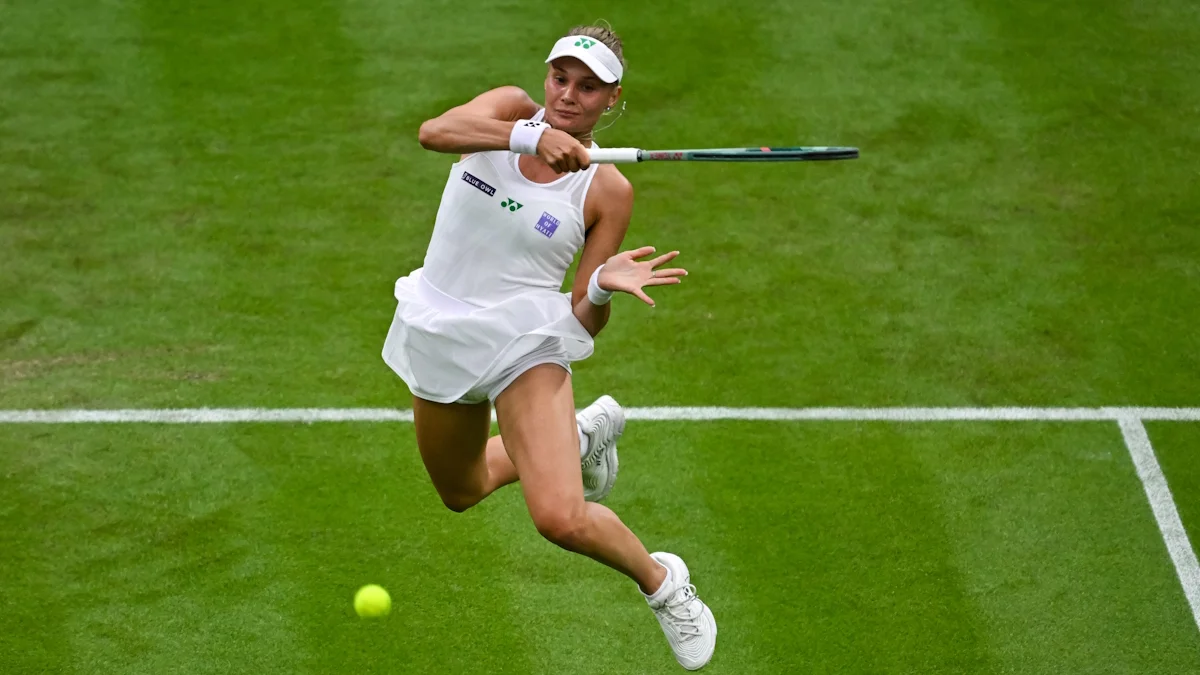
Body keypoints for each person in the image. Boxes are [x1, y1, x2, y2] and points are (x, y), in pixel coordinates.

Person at [381, 24, 717, 670]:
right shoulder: (508, 109)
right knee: (461, 489)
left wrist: (602, 286)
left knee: (560, 518)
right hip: (442, 328)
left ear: (612, 99)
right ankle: (579, 436)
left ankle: (664, 582)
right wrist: (529, 136)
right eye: (561, 78)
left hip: (524, 344)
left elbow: (582, 321)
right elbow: (434, 133)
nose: (568, 95)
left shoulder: (607, 189)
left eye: (588, 88)